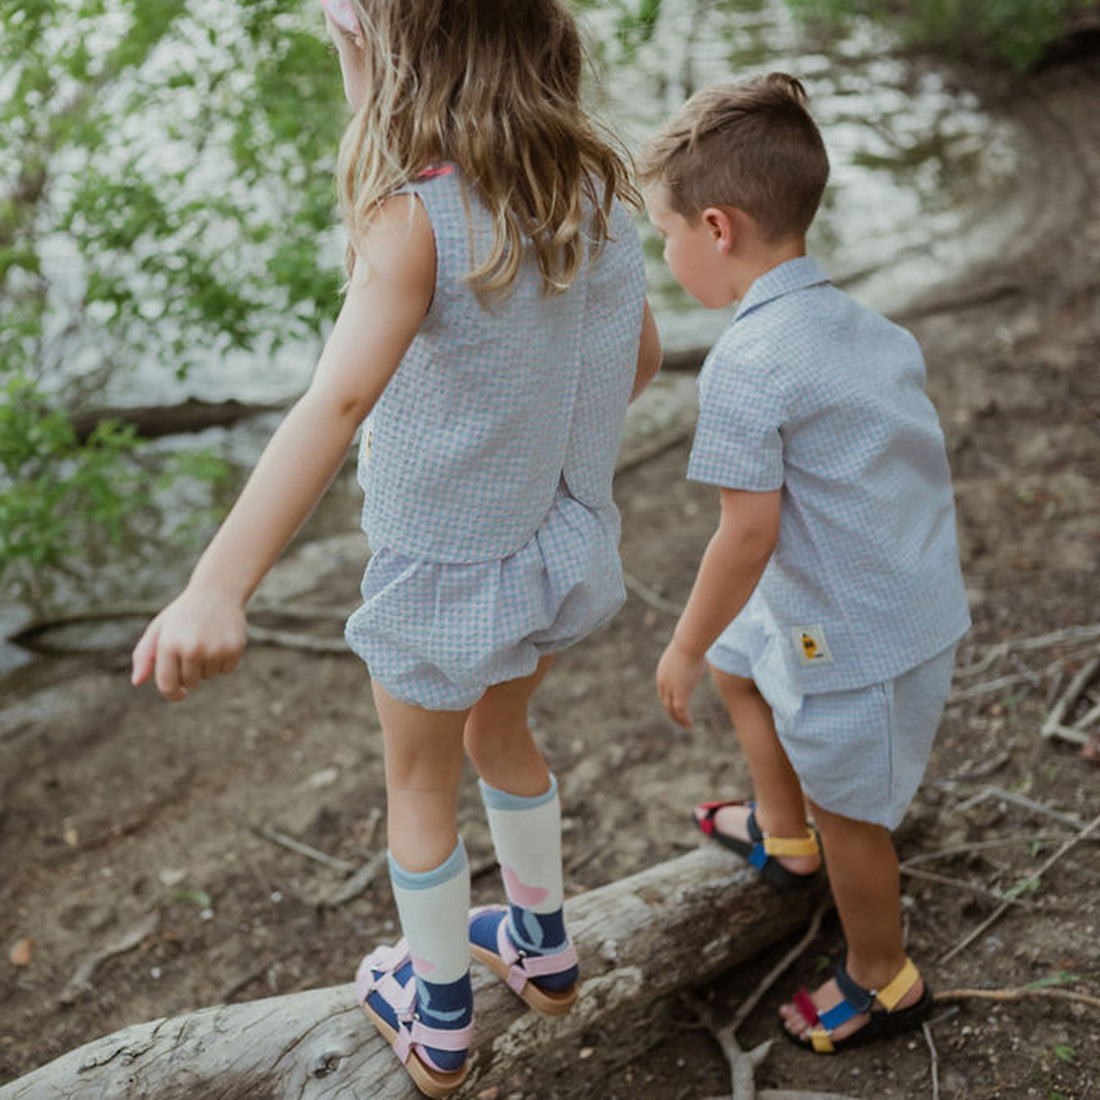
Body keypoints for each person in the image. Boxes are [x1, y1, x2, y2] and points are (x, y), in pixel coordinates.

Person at [131, 0, 660, 1093]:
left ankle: (438, 1015)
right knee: (503, 738)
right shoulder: (597, 193)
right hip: (553, 545)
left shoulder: (412, 219)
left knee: (417, 785)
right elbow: (638, 356)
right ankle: (543, 945)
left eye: (349, 47)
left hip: (441, 579)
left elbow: (332, 405)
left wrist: (215, 584)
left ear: (397, 61)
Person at [637, 73, 970, 1054]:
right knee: (749, 658)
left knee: (853, 813)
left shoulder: (746, 363)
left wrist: (681, 643)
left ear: (716, 226)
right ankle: (783, 835)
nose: (664, 255)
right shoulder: (868, 328)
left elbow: (744, 534)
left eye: (665, 235)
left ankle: (881, 973)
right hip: (901, 590)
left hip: (857, 638)